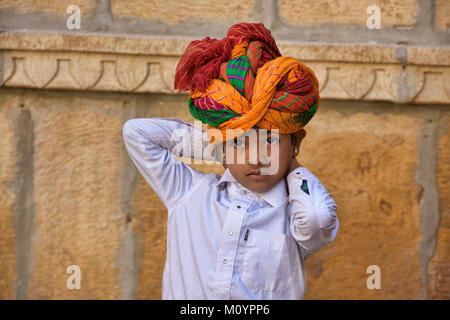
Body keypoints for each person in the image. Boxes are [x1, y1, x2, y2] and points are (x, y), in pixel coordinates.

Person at [122, 22, 338, 299]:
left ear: (296, 142)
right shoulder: (187, 193)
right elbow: (137, 134)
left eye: (270, 141)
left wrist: (292, 165)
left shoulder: (294, 214)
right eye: (241, 144)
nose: (256, 158)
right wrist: (217, 143)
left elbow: (318, 218)